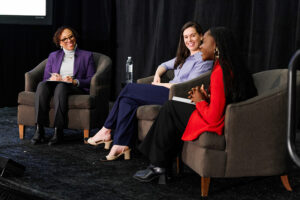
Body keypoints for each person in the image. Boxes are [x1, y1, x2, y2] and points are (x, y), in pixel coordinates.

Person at [133, 27, 258, 183]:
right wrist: (208, 97)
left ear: (216, 46)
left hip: (217, 123)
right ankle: (160, 166)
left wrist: (200, 102)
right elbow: (226, 98)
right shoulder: (226, 66)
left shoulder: (220, 72)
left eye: (204, 42)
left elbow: (213, 118)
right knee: (172, 108)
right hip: (223, 116)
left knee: (170, 109)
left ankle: (158, 167)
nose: (200, 47)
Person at [87, 21, 213, 161]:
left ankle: (106, 129)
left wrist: (160, 85)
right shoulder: (184, 57)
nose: (189, 40)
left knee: (129, 89)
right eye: (186, 37)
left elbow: (186, 86)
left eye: (193, 36)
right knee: (127, 100)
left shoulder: (204, 59)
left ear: (201, 36)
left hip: (176, 96)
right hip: (166, 90)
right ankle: (121, 144)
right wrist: (158, 75)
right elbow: (163, 65)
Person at [31, 26, 96, 146]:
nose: (69, 40)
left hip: (74, 87)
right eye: (64, 39)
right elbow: (46, 78)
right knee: (42, 85)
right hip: (56, 85)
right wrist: (52, 78)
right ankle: (39, 129)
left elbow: (91, 79)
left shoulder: (87, 56)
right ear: (59, 43)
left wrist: (75, 81)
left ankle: (58, 130)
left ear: (75, 37)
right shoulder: (53, 56)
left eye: (71, 36)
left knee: (61, 87)